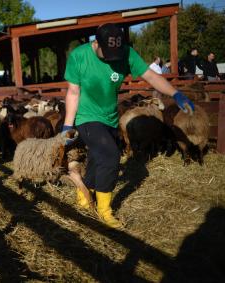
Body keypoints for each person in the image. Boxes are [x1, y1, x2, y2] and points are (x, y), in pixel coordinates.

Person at [62, 23, 194, 229]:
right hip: (86, 117)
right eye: (106, 53)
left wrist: (174, 93)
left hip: (111, 117)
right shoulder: (79, 56)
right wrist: (67, 125)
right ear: (95, 43)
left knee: (98, 158)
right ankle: (104, 212)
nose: (111, 59)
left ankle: (83, 197)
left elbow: (150, 76)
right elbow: (73, 92)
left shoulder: (126, 53)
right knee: (111, 156)